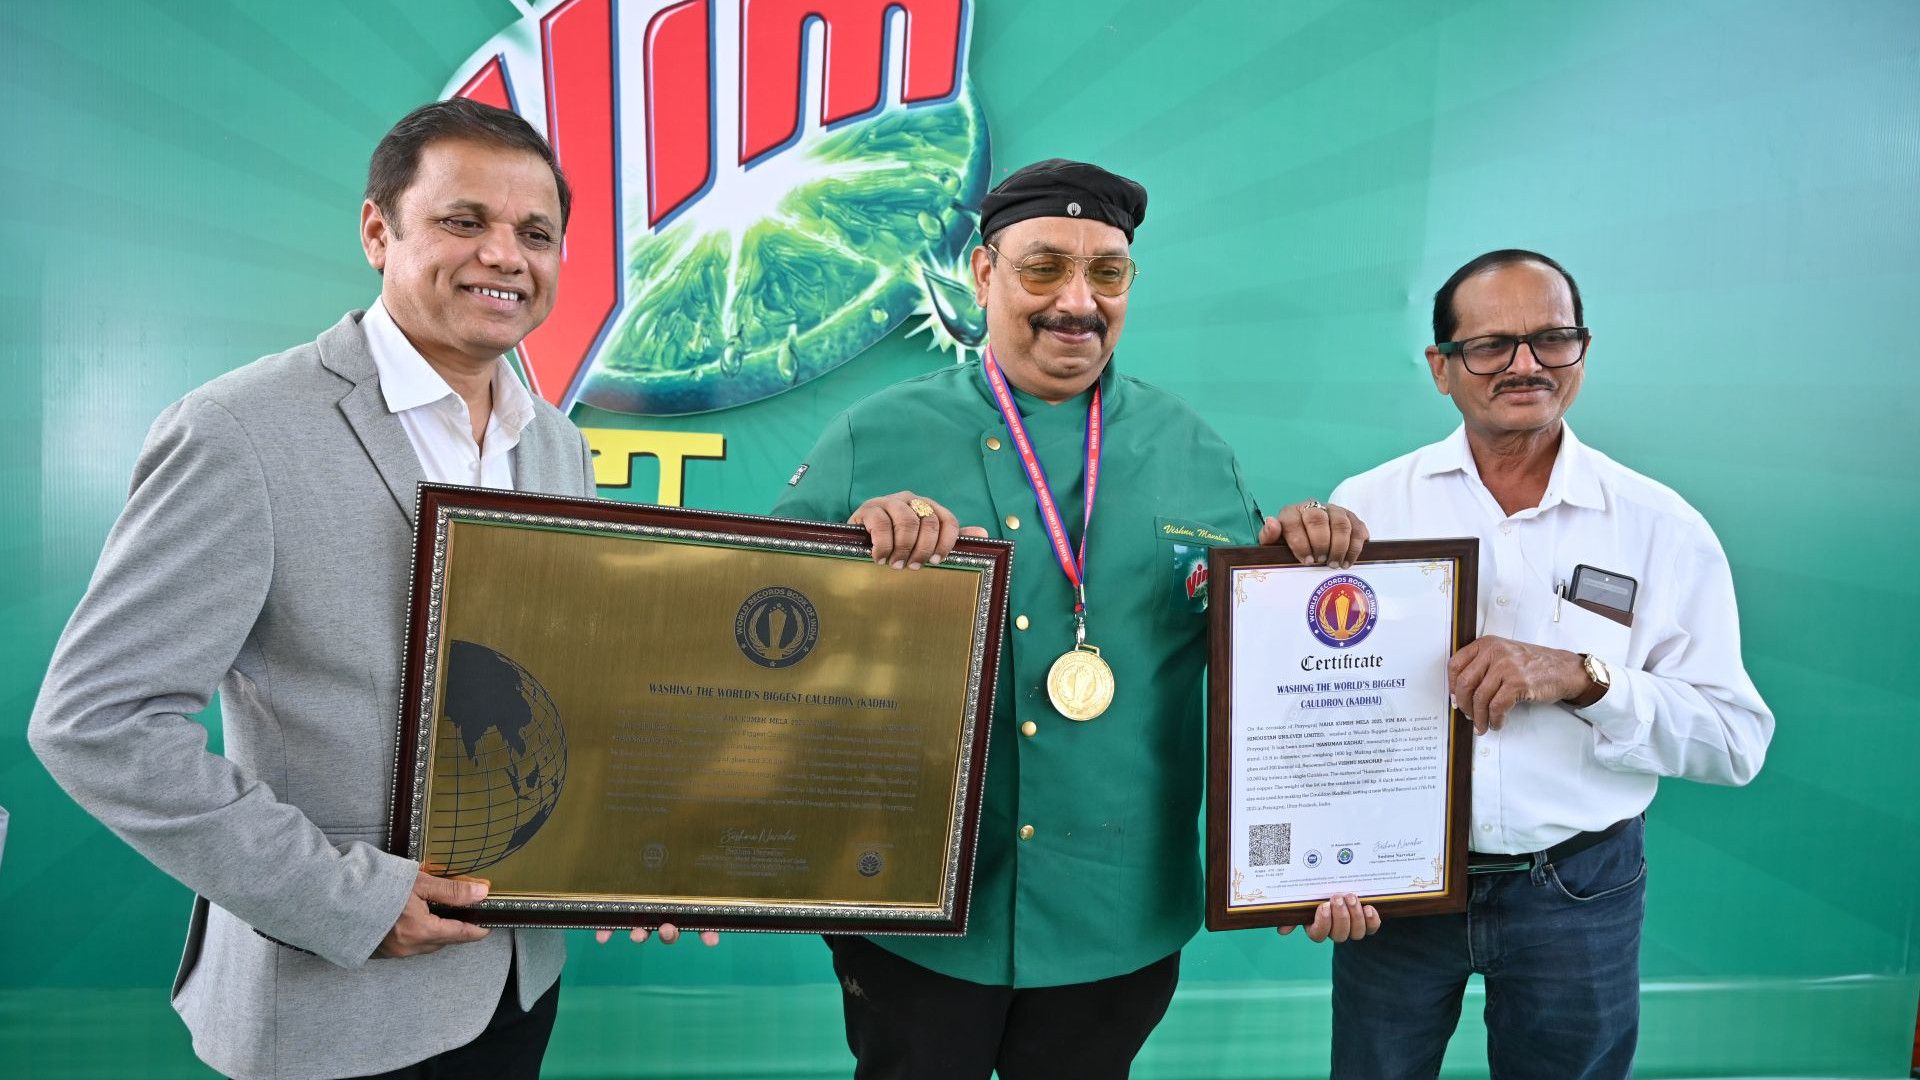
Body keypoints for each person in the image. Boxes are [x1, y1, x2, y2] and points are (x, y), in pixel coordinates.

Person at [28, 98, 699, 1080]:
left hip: (517, 981)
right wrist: (341, 900)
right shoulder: (239, 430)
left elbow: (556, 687)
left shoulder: (554, 443)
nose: (505, 256)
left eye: (536, 234)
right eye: (464, 220)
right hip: (337, 1005)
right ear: (379, 231)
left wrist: (638, 854)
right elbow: (97, 721)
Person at [773, 158, 1371, 1080]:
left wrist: (1302, 573)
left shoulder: (1193, 450)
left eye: (1107, 272)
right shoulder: (874, 435)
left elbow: (1271, 671)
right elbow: (761, 629)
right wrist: (851, 560)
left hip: (1117, 910)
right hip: (919, 903)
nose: (1078, 302)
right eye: (1044, 268)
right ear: (984, 273)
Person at [1323, 250, 1774, 1079]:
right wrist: (1314, 864)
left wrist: (1583, 678)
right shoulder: (1367, 505)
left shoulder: (1661, 526)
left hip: (1579, 887)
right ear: (1441, 368)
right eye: (1491, 345)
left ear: (1582, 351)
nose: (1526, 364)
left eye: (1551, 339)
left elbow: (1735, 741)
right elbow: (1318, 706)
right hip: (1396, 886)